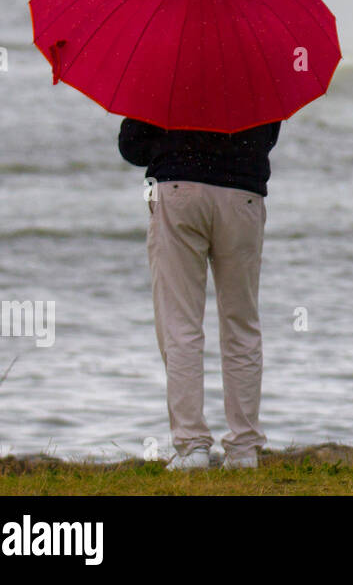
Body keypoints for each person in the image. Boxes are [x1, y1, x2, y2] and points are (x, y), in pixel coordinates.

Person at [119, 119, 281, 471]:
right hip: (243, 194)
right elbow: (267, 137)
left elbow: (131, 146)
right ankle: (244, 450)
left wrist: (172, 144)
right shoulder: (256, 65)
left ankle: (192, 446)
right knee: (242, 323)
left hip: (179, 190)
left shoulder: (162, 66)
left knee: (180, 325)